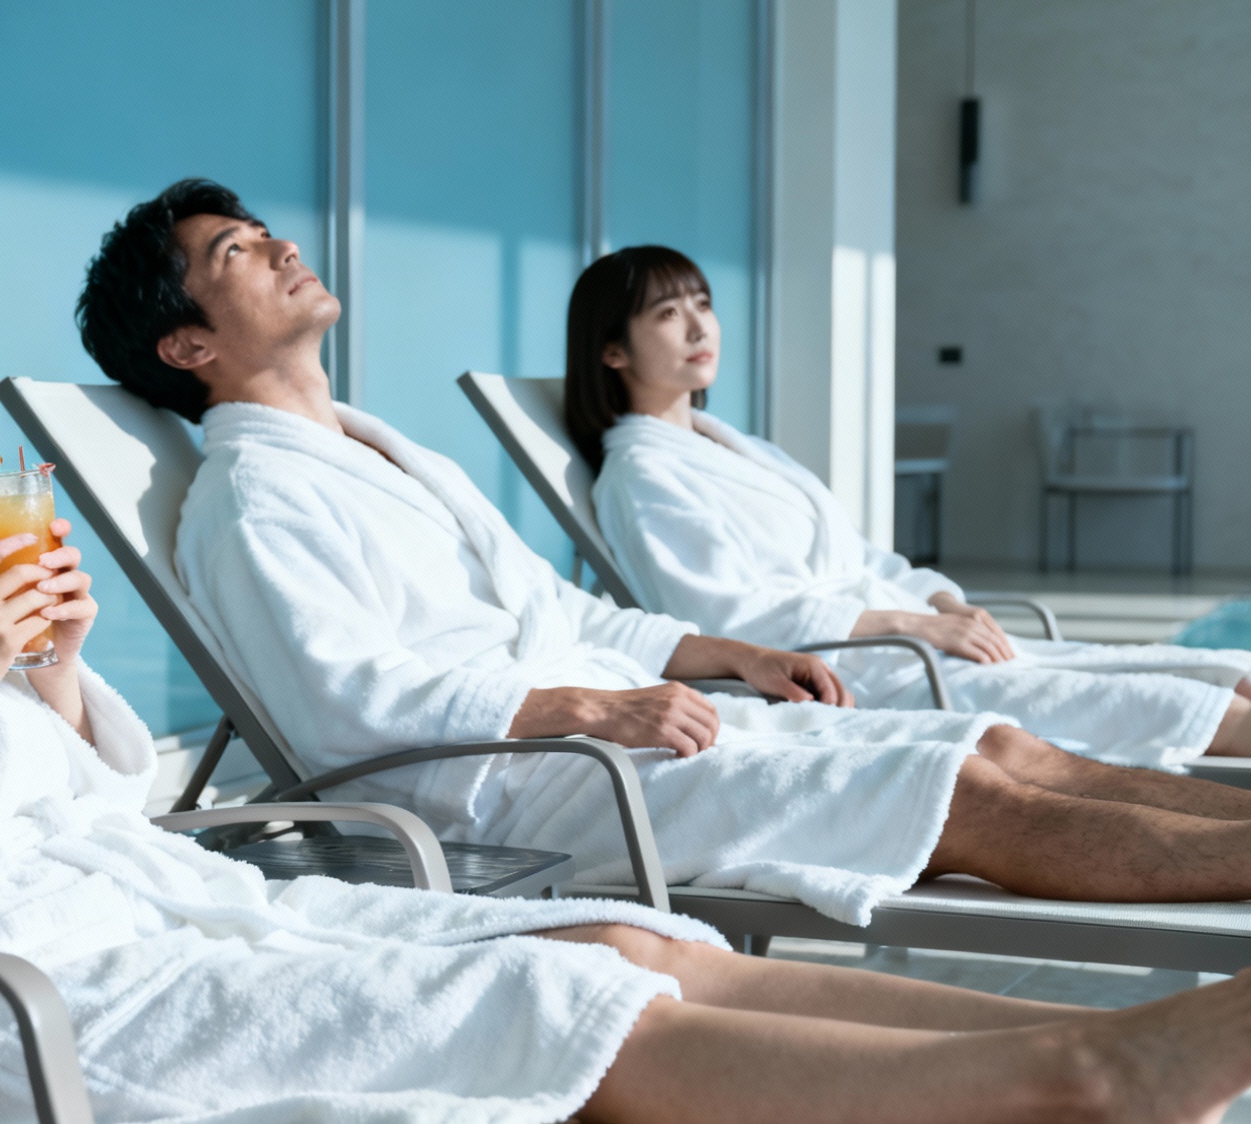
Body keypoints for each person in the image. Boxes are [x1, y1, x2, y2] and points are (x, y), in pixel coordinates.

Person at [0, 229, 1251, 1124]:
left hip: (150, 909)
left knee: (629, 951)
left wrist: (49, 677)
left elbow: (94, 788)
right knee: (561, 1016)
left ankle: (1095, 1053)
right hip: (19, 1005)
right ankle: (1085, 1090)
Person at [77, 178, 1251, 934]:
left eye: (261, 231)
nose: (280, 244)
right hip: (514, 782)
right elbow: (346, 706)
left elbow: (560, 609)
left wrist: (726, 652)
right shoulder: (250, 499)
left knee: (990, 743)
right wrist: (586, 704)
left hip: (609, 734)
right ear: (186, 345)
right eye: (235, 252)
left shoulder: (379, 451)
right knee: (966, 794)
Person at [569, 243, 1251, 772]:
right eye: (667, 314)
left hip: (922, 648)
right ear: (612, 350)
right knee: (1192, 707)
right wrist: (914, 625)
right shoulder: (641, 475)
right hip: (874, 673)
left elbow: (861, 558)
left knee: (1218, 673)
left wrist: (944, 604)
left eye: (702, 303)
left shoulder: (731, 447)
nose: (699, 325)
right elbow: (731, 621)